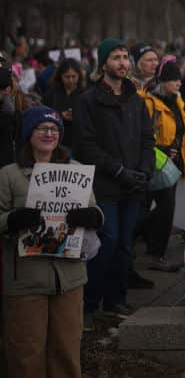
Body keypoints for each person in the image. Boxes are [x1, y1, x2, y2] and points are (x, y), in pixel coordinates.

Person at [1, 107, 103, 377]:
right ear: (28, 134)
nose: (49, 133)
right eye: (42, 128)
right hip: (25, 279)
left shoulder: (77, 171)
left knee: (67, 351)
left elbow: (95, 211)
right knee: (26, 352)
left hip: (69, 278)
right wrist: (12, 220)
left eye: (55, 129)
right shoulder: (9, 175)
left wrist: (93, 217)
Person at [75, 38, 155, 329]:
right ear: (104, 63)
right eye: (116, 57)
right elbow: (85, 145)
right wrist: (118, 170)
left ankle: (115, 300)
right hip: (105, 184)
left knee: (124, 245)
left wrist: (145, 170)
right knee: (105, 242)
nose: (123, 62)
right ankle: (91, 301)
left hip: (133, 184)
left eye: (125, 57)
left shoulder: (136, 99)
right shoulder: (88, 100)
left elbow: (148, 139)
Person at [139, 58, 185, 272]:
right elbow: (144, 134)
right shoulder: (151, 103)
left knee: (163, 208)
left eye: (179, 79)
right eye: (173, 79)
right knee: (161, 207)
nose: (178, 83)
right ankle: (154, 253)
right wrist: (162, 149)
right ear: (163, 81)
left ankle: (154, 251)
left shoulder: (177, 101)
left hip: (172, 164)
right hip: (156, 162)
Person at [42, 58, 86, 155]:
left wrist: (76, 116)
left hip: (77, 143)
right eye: (67, 77)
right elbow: (43, 116)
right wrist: (60, 116)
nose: (70, 80)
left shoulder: (85, 95)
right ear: (61, 76)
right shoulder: (51, 94)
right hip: (55, 142)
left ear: (79, 76)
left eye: (74, 76)